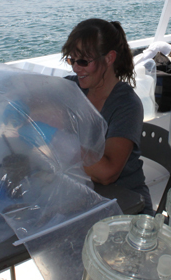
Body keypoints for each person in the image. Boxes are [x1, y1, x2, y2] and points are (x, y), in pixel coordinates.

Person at [62, 18, 153, 214]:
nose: (76, 68)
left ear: (109, 58)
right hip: (85, 195)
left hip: (127, 204)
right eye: (71, 60)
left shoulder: (127, 105)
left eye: (84, 61)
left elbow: (106, 173)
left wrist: (56, 140)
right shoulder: (71, 88)